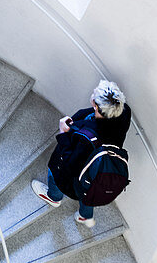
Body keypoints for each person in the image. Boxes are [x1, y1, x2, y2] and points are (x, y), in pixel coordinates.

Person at [31, 80, 131, 229]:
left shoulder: (86, 137)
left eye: (94, 92)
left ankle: (54, 197)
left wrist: (63, 133)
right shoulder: (124, 112)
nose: (93, 92)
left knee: (57, 174)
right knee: (89, 189)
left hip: (77, 173)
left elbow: (68, 164)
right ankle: (85, 216)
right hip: (98, 167)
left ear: (96, 105)